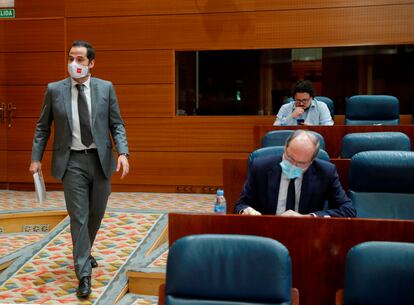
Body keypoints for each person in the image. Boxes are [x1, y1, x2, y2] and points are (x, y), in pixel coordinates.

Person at [29, 40, 129, 298]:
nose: (74, 64)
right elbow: (42, 128)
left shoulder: (106, 88)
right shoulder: (54, 90)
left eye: (80, 59)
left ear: (91, 63)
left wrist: (123, 153)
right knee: (79, 217)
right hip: (71, 161)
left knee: (96, 213)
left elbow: (116, 124)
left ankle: (84, 250)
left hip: (100, 160)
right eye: (71, 58)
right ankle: (83, 274)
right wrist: (35, 159)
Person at [234, 130, 356, 218]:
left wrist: (309, 217)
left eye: (301, 163)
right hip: (267, 231)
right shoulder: (260, 167)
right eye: (290, 159)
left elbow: (348, 210)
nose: (293, 165)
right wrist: (246, 210)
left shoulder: (325, 172)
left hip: (306, 232)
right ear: (285, 149)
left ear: (312, 161)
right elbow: (240, 204)